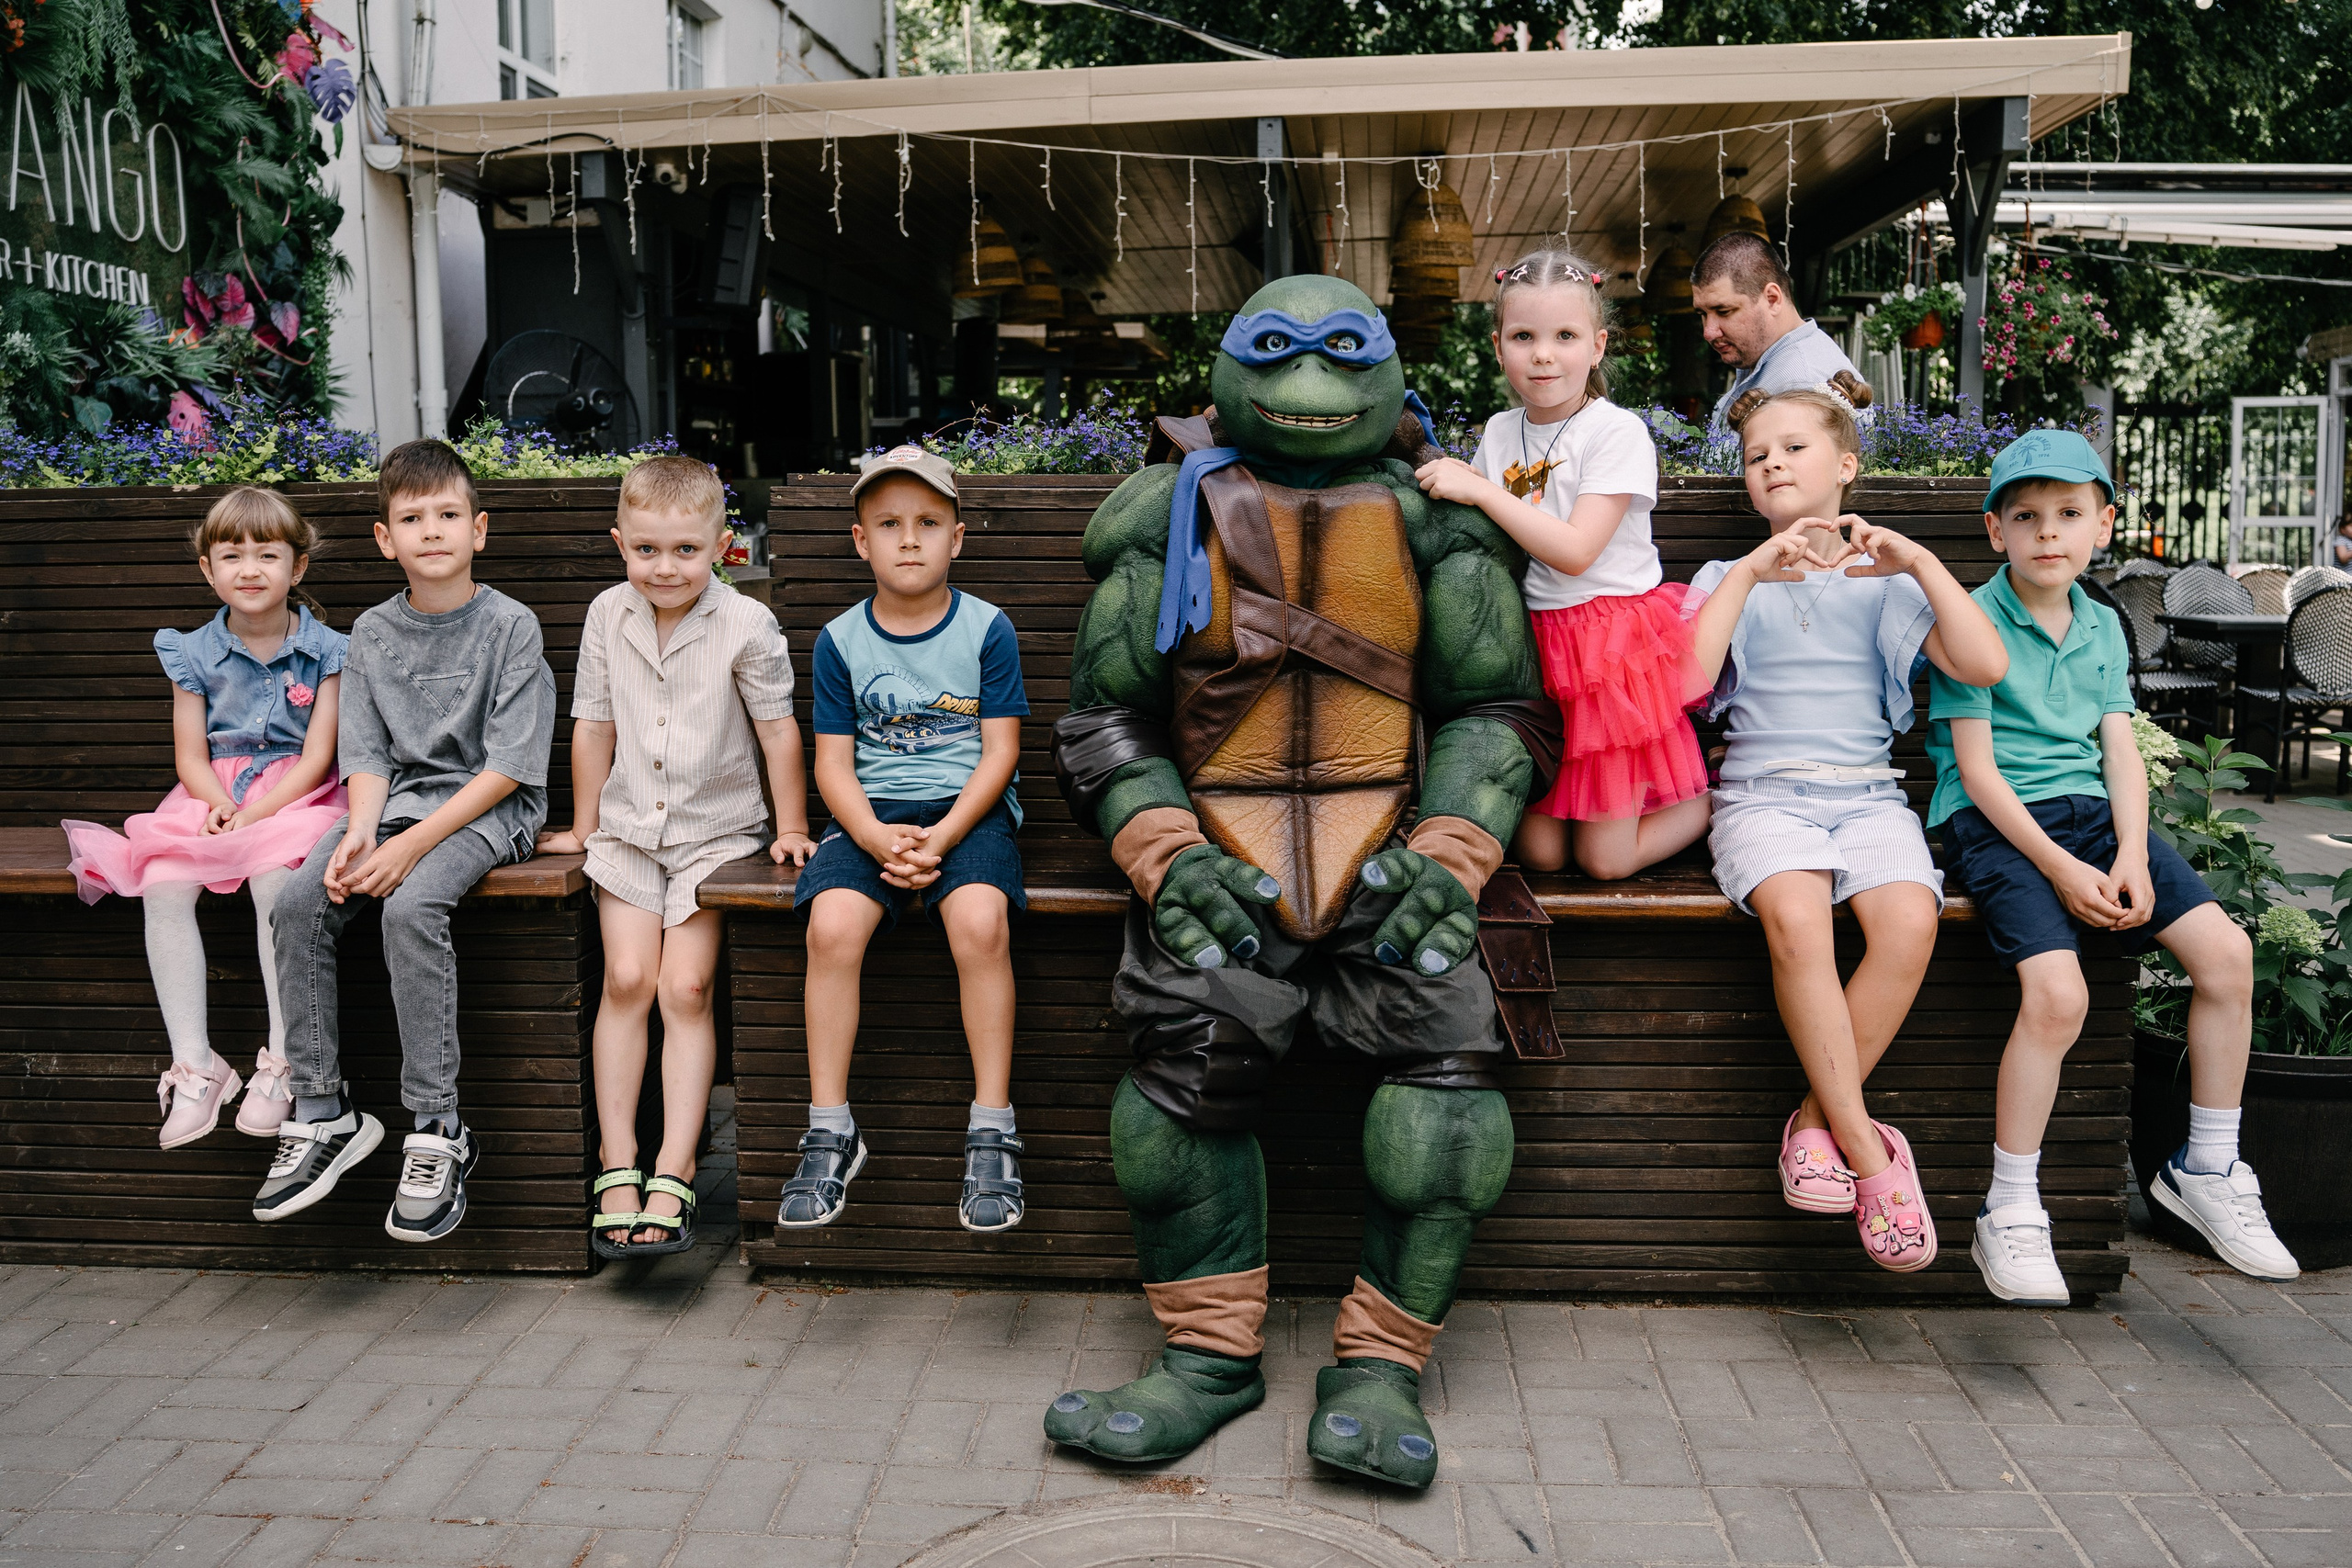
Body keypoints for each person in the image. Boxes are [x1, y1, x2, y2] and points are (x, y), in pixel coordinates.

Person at [1928, 429, 2300, 1304]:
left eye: (2068, 514)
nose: (2048, 533)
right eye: (2026, 516)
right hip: (1998, 825)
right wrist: (2062, 869)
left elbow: (2120, 751)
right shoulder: (1970, 624)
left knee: (2228, 958)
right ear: (1995, 532)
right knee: (2060, 995)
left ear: (2102, 524)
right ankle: (2009, 1208)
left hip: (2095, 821)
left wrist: (2131, 851)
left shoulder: (2100, 623)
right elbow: (1977, 774)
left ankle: (2206, 1166)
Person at [1684, 387, 2008, 1271]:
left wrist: (1922, 565)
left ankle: (1815, 1125)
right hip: (1761, 796)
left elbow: (1985, 662)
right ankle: (1871, 1154)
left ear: (1847, 467)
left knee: (1909, 920)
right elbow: (1682, 681)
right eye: (1757, 456)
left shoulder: (1882, 583)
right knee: (1797, 917)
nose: (1774, 464)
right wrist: (1751, 571)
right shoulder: (1725, 578)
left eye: (1793, 447)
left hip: (1869, 797)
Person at [257, 440, 558, 1242]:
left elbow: (508, 768)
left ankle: (438, 1126)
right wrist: (359, 834)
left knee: (410, 905)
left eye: (448, 515)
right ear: (386, 538)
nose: (432, 530)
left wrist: (408, 846)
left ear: (479, 528)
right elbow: (365, 755)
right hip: (390, 809)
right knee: (298, 902)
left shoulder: (510, 627)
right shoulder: (372, 632)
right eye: (412, 518)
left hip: (490, 808)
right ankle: (322, 1110)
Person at [537, 456, 815, 1258]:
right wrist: (585, 825)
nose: (666, 568)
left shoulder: (745, 625)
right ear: (620, 543)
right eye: (648, 550)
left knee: (683, 986)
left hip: (717, 835)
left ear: (723, 546)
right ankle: (616, 1158)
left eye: (686, 551)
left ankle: (678, 1162)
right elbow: (594, 725)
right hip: (627, 832)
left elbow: (776, 730)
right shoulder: (606, 615)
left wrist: (790, 824)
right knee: (626, 978)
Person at [777, 445, 1030, 1235]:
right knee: (832, 927)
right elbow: (832, 765)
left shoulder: (988, 628)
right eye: (889, 524)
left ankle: (994, 1125)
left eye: (928, 523)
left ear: (958, 537)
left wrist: (945, 834)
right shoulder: (840, 641)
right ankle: (830, 1127)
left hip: (968, 808)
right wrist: (878, 839)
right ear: (861, 541)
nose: (909, 539)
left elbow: (1001, 752)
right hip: (868, 812)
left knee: (979, 921)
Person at [62, 488, 351, 1148]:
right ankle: (197, 1064)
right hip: (210, 793)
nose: (250, 569)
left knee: (274, 883)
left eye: (268, 554)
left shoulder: (329, 649)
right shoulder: (190, 652)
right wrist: (220, 803)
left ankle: (282, 1061)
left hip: (297, 797)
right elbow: (191, 754)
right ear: (207, 569)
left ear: (297, 568)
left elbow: (318, 757)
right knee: (161, 883)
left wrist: (259, 812)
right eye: (232, 555)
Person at [1414, 247, 1711, 879]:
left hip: (1609, 648)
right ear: (1498, 347)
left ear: (1598, 346)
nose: (1544, 354)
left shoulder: (1615, 432)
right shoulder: (1500, 431)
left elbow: (1576, 552)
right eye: (1524, 336)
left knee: (1605, 862)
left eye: (1565, 336)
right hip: (1537, 644)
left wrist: (1483, 489)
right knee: (1542, 855)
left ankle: (1706, 806)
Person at [1692, 231, 1866, 432]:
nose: (1709, 332)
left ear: (1772, 299)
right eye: (1702, 314)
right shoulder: (1769, 362)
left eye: (1723, 311)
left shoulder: (1802, 382)